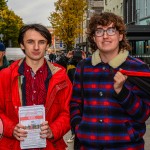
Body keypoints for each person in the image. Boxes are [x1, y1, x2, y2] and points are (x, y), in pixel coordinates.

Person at [70, 12, 150, 149]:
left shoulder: (138, 68)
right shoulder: (83, 67)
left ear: (120, 36)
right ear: (94, 38)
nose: (105, 36)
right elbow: (75, 103)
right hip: (88, 146)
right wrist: (79, 127)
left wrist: (122, 92)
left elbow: (143, 114)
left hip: (126, 146)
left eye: (111, 30)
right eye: (99, 31)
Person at [0, 23, 72, 150]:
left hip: (50, 146)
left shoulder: (61, 76)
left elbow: (68, 111)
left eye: (42, 42)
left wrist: (53, 131)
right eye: (30, 42)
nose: (36, 47)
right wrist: (10, 128)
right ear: (22, 45)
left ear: (48, 45)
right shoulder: (5, 76)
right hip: (14, 145)